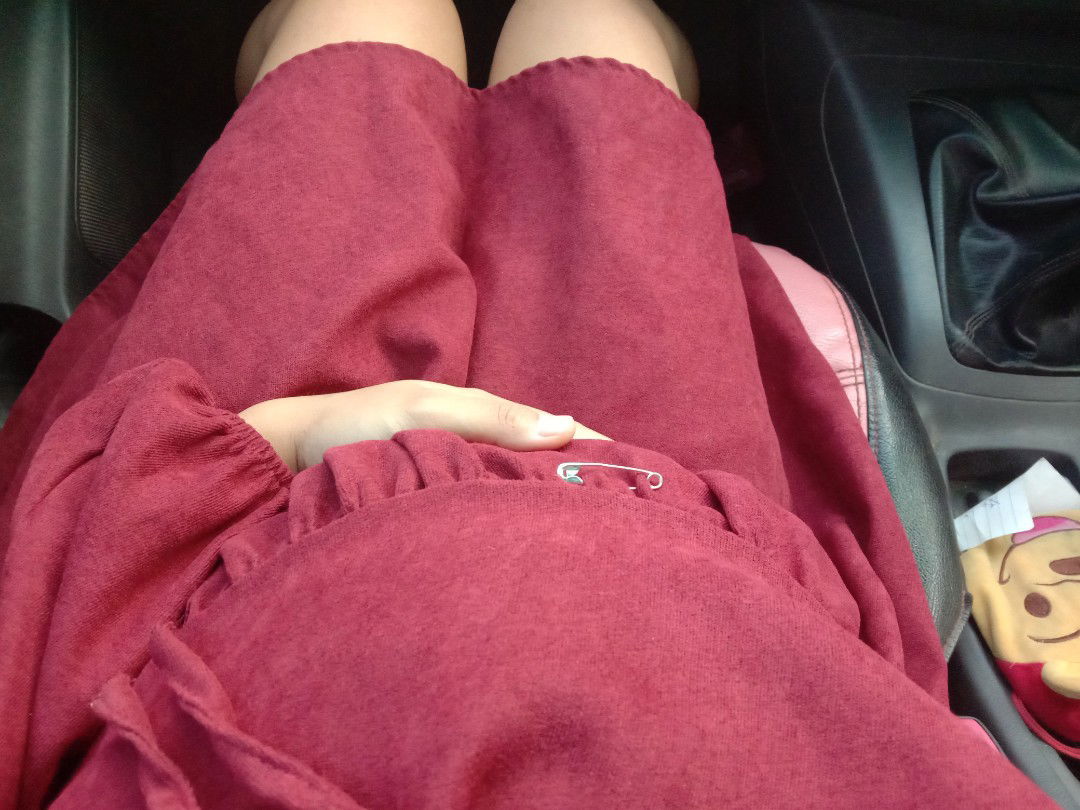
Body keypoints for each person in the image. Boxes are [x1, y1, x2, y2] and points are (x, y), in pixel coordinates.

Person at [0, 0, 1059, 807]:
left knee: (364, 25)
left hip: (229, 540)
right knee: (600, 41)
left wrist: (278, 437)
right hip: (693, 536)